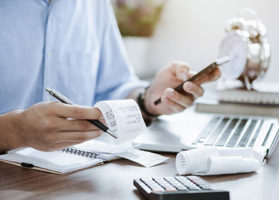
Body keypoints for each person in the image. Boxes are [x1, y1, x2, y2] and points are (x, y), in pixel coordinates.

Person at [0, 0, 220, 152]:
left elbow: (114, 86)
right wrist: (15, 132)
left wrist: (149, 99)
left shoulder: (94, 4)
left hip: (75, 175)